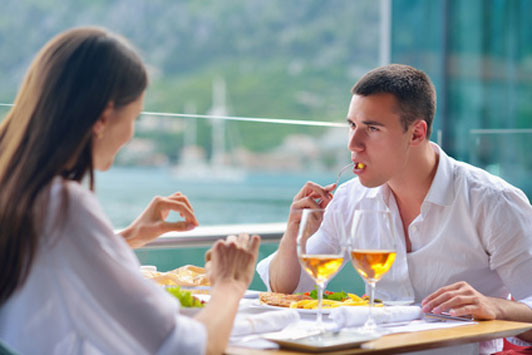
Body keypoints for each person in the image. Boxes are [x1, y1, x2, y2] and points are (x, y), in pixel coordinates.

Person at [0, 27, 260, 355]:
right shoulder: (63, 203)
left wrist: (125, 239)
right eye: (135, 116)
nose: (132, 134)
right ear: (105, 116)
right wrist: (230, 283)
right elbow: (183, 349)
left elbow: (45, 266)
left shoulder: (19, 189)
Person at [256, 64, 532, 351]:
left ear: (416, 134)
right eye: (352, 125)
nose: (353, 144)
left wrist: (496, 307)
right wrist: (293, 233)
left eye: (372, 129)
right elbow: (285, 290)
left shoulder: (492, 202)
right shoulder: (348, 200)